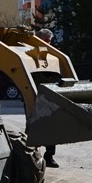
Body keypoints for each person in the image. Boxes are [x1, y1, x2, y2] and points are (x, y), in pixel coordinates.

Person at [35, 28, 60, 167]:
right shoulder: (34, 53)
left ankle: (49, 155)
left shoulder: (51, 53)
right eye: (47, 40)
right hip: (37, 94)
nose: (49, 43)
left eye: (50, 41)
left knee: (51, 125)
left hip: (49, 94)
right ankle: (33, 154)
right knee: (35, 124)